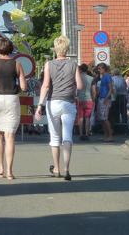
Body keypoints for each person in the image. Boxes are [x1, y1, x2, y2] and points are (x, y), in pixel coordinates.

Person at [34, 36, 82, 181]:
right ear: (67, 49)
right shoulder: (73, 64)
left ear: (55, 49)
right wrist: (73, 90)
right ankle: (67, 169)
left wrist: (40, 105)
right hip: (68, 103)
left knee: (55, 137)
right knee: (67, 136)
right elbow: (80, 86)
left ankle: (56, 168)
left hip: (53, 103)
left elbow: (45, 86)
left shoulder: (49, 64)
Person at [0, 38, 27, 180]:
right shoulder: (17, 64)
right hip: (11, 99)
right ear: (11, 49)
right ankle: (10, 171)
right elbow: (24, 87)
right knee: (10, 136)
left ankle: (0, 168)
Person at [95, 63, 114, 141]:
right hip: (101, 98)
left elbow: (111, 89)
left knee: (105, 118)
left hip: (105, 99)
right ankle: (106, 135)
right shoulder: (103, 77)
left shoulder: (107, 76)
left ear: (104, 69)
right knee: (102, 118)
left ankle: (110, 136)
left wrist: (106, 98)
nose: (98, 70)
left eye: (99, 69)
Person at [75, 64, 93, 141]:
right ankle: (87, 133)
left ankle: (81, 134)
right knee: (87, 118)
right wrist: (93, 99)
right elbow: (93, 90)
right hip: (89, 99)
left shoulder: (78, 78)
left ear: (81, 70)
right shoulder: (91, 78)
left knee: (81, 117)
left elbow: (76, 89)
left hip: (80, 99)